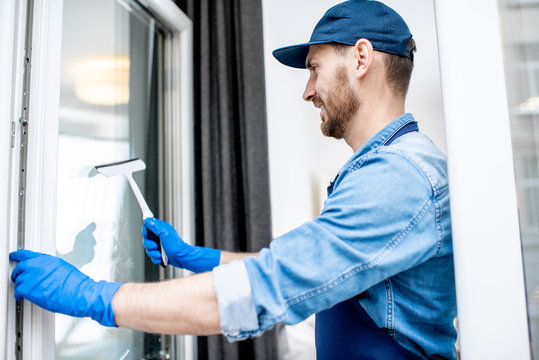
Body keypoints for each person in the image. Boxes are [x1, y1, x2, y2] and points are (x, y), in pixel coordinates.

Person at [10, 1, 457, 359]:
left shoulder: (398, 177)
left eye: (314, 68)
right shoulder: (389, 169)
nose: (307, 90)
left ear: (361, 57)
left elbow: (268, 287)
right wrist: (195, 257)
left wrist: (94, 297)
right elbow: (305, 268)